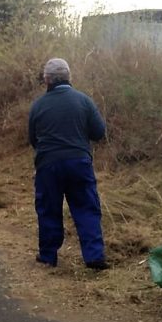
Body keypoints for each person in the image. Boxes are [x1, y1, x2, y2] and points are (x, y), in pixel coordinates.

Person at [28, 57, 109, 269]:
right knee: (87, 208)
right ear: (69, 77)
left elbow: (33, 139)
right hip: (79, 163)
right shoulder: (84, 100)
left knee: (48, 209)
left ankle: (48, 256)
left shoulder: (38, 105)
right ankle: (94, 256)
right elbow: (99, 132)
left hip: (48, 165)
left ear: (46, 79)